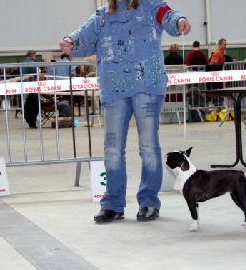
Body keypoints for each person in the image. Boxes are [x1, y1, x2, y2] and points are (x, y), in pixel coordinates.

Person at [59, 0, 191, 223]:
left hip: (147, 84)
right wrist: (70, 42)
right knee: (112, 149)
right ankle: (112, 204)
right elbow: (82, 36)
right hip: (114, 88)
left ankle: (149, 202)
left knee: (148, 146)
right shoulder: (102, 15)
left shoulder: (151, 5)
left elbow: (168, 16)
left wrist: (179, 20)